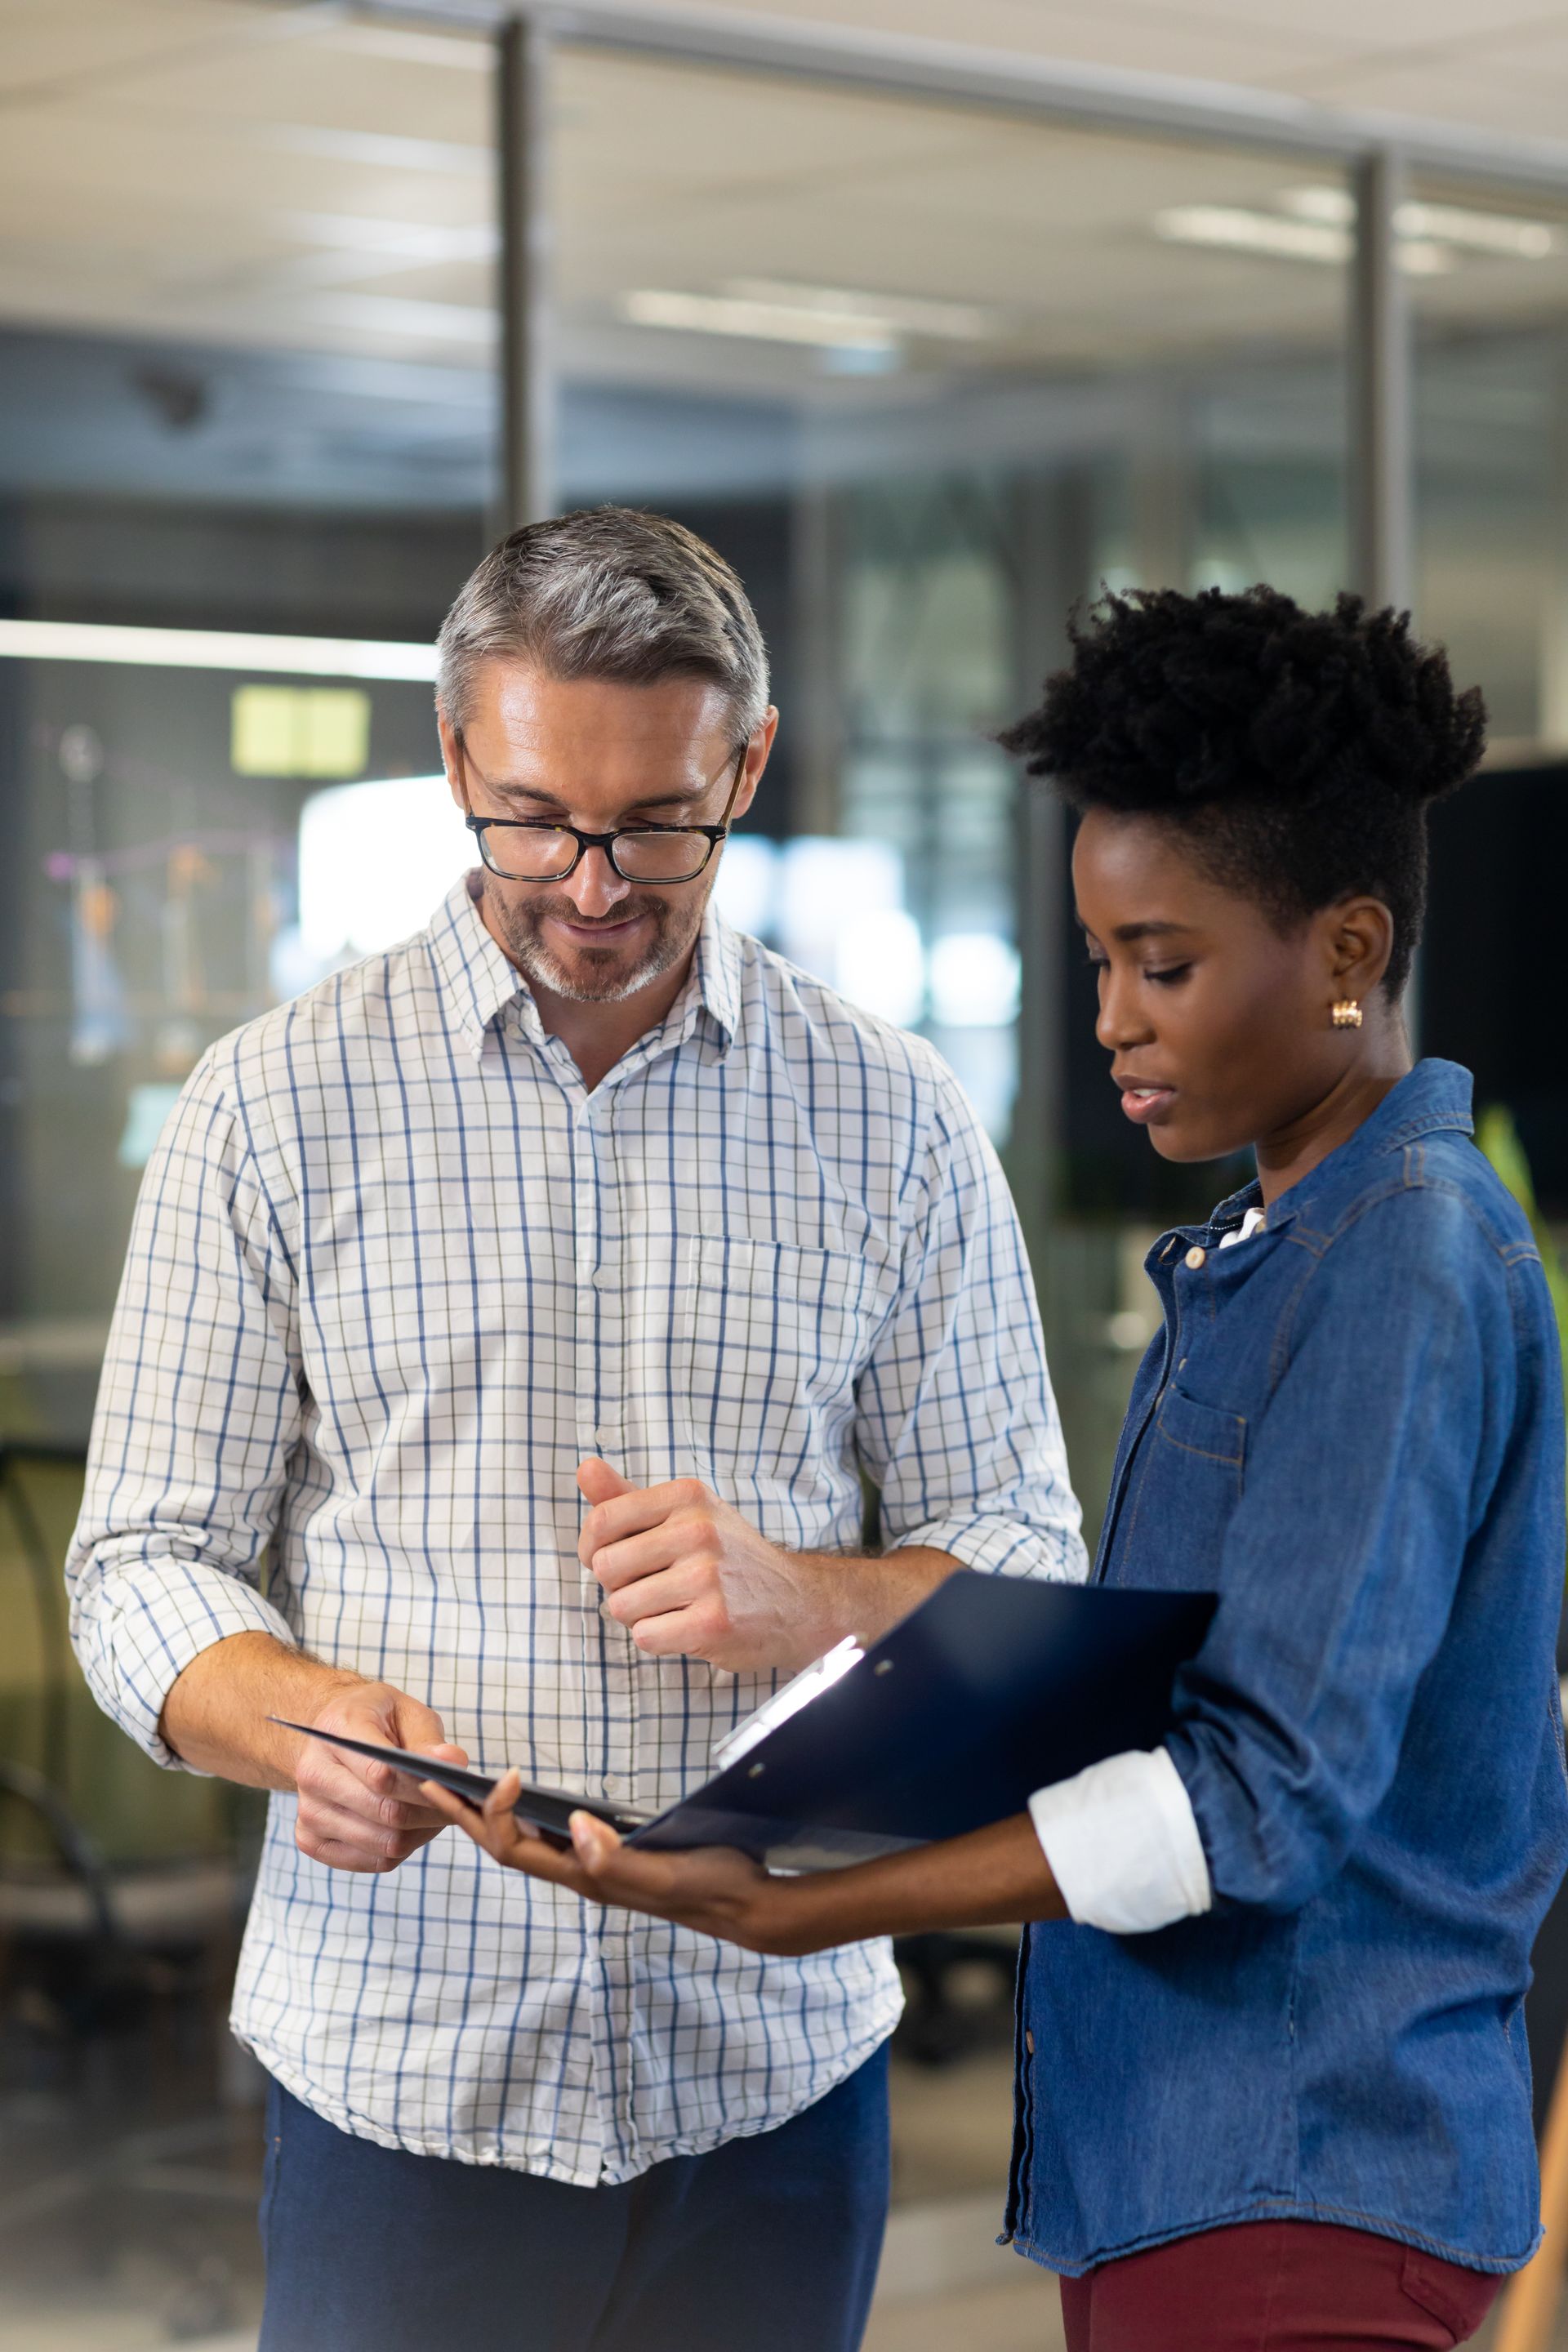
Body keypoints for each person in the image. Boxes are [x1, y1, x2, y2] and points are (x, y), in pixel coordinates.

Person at [428, 586, 1568, 2352]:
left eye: (1163, 965)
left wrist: (816, 1911)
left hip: (1299, 2190)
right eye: (1100, 959)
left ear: (1348, 951)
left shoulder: (1399, 1261)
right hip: (1200, 2174)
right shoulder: (1275, 1243)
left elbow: (1254, 1798)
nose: (1111, 1017)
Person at [65, 506, 1084, 2352]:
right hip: (405, 2079)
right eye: (538, 815)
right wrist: (289, 1724)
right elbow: (141, 1560)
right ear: (460, 755)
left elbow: (1029, 1558)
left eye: (661, 822)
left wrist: (805, 1595)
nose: (596, 881)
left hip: (767, 2075)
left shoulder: (895, 1120)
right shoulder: (267, 1111)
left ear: (748, 764)